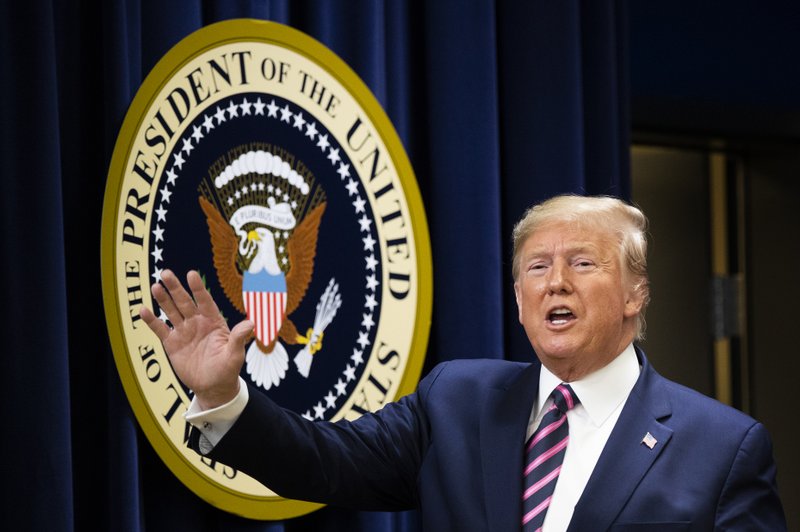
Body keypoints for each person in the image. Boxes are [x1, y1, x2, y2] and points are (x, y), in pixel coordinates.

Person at [141, 194, 786, 531]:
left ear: (635, 294)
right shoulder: (457, 400)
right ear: (517, 297)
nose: (554, 283)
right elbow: (323, 462)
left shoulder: (723, 448)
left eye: (582, 264)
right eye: (537, 267)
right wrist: (228, 396)